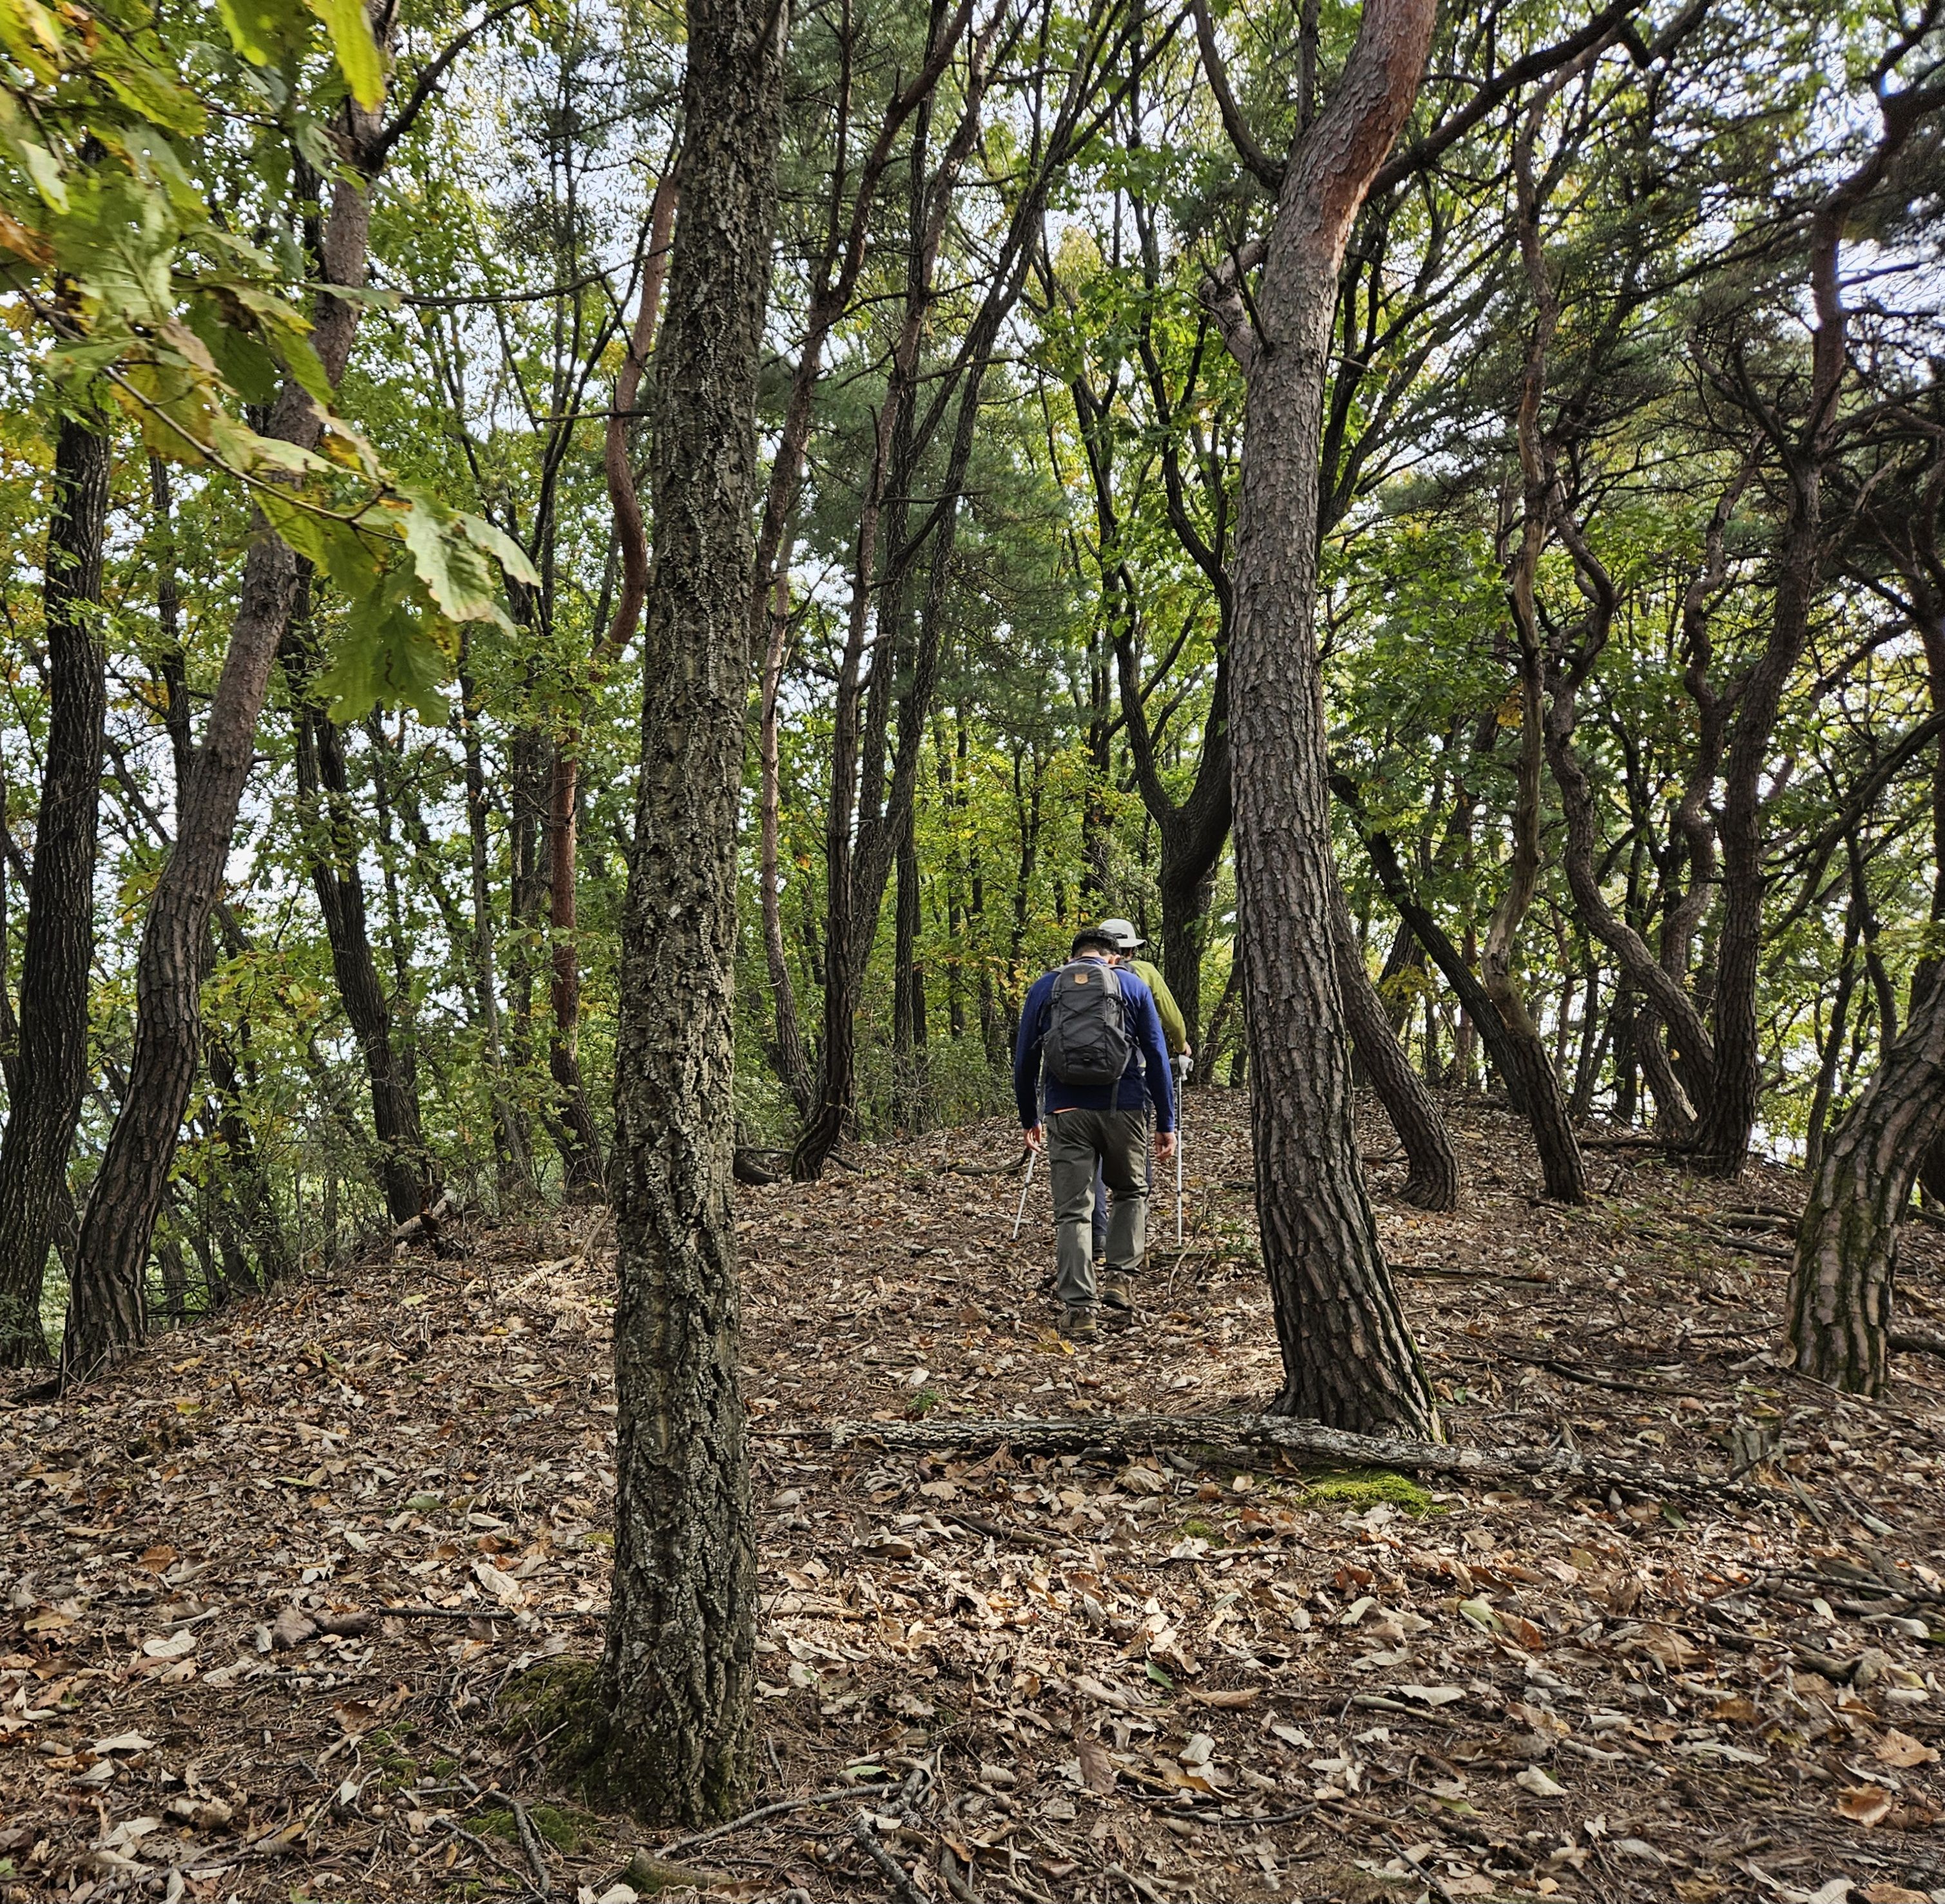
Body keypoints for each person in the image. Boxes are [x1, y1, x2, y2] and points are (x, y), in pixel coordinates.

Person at [1013, 926, 1177, 1341]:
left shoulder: (1046, 986)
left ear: (1074, 957)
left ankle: (1081, 1309)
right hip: (1125, 1107)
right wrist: (1166, 1122)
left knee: (1073, 1211)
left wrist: (1029, 1117)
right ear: (1114, 956)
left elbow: (1024, 1059)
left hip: (1065, 1111)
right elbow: (1157, 1055)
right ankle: (1120, 1280)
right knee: (1131, 1191)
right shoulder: (1132, 986)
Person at [1091, 919, 1190, 1267]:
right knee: (1133, 1153)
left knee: (1093, 1155)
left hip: (1083, 1078)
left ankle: (1098, 1236)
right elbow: (1171, 1017)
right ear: (1132, 948)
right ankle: (1133, 1235)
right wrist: (1181, 1044)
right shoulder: (1144, 973)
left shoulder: (1080, 975)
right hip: (1134, 1075)